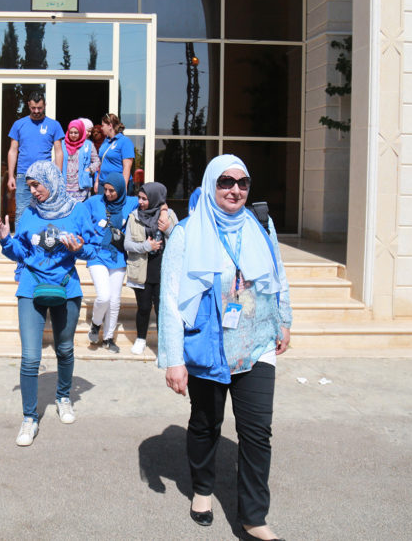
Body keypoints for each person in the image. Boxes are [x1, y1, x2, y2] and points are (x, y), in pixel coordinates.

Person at [158, 155, 291, 539]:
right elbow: (170, 299)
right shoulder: (185, 233)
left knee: (257, 431)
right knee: (205, 422)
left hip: (256, 342)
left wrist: (284, 320)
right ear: (211, 184)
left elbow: (278, 275)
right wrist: (173, 358)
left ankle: (253, 516)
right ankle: (202, 490)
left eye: (243, 182)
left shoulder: (261, 224)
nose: (235, 190)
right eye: (226, 182)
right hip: (209, 346)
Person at [0, 160, 94, 446]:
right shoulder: (28, 214)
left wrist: (80, 249)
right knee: (30, 357)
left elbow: (93, 247)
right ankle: (29, 417)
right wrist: (5, 240)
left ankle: (63, 396)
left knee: (64, 348)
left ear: (51, 181)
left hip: (66, 286)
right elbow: (20, 252)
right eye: (30, 187)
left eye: (36, 185)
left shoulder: (78, 210)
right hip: (31, 287)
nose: (34, 191)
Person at [84, 172, 138, 353]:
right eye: (105, 189)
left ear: (121, 190)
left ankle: (108, 338)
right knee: (104, 296)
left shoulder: (129, 202)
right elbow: (79, 216)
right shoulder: (93, 202)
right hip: (97, 255)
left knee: (114, 301)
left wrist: (163, 211)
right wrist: (87, 236)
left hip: (118, 256)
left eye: (112, 191)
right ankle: (95, 324)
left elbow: (153, 201)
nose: (107, 194)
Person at [123, 182, 178, 355]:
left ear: (155, 198)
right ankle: (141, 339)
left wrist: (168, 229)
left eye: (144, 199)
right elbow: (127, 244)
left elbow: (180, 241)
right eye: (139, 198)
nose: (140, 202)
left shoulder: (168, 215)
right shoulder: (134, 216)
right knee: (144, 307)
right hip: (142, 269)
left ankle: (163, 346)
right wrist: (146, 246)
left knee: (162, 309)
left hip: (163, 269)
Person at [7, 91, 65, 228]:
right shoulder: (18, 124)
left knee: (45, 211)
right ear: (28, 105)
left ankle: (42, 243)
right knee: (21, 211)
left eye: (39, 108)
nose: (37, 111)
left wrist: (58, 175)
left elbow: (58, 152)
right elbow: (12, 150)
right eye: (33, 108)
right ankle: (20, 246)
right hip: (23, 176)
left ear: (45, 105)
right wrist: (10, 176)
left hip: (44, 178)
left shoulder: (54, 125)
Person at [62, 118, 99, 201]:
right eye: (71, 132)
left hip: (81, 186)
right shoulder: (63, 144)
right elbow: (57, 161)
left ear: (81, 132)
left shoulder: (88, 145)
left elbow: (96, 161)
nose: (73, 135)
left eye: (76, 133)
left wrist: (89, 169)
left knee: (81, 209)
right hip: (65, 184)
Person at [97, 113, 135, 187]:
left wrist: (123, 187)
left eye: (103, 125)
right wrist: (97, 181)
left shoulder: (125, 141)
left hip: (117, 185)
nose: (101, 128)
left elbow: (127, 166)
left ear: (110, 126)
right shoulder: (106, 141)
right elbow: (102, 162)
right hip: (103, 182)